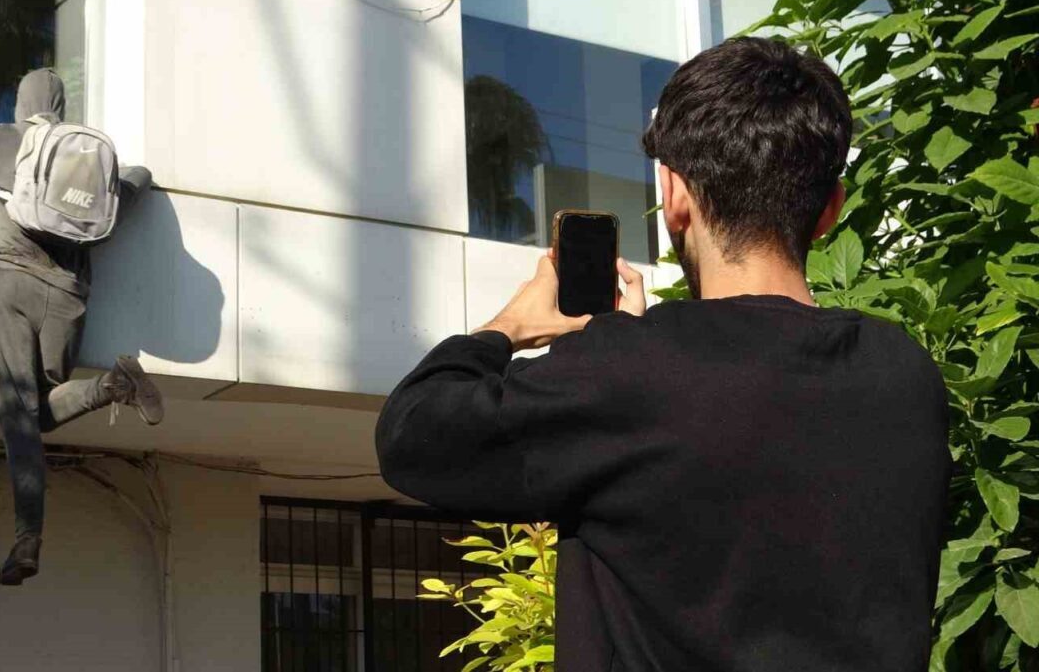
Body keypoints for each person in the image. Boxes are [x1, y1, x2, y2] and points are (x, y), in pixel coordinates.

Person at [376, 38, 949, 671]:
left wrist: (509, 328)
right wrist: (632, 356)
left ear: (674, 193)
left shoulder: (628, 374)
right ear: (829, 210)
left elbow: (413, 432)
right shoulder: (906, 375)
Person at [0, 69, 164, 585]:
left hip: (11, 286)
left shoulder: (6, 139)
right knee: (38, 411)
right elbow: (140, 179)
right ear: (61, 109)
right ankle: (114, 384)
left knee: (19, 414)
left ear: (23, 103)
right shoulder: (87, 165)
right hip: (67, 299)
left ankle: (28, 537)